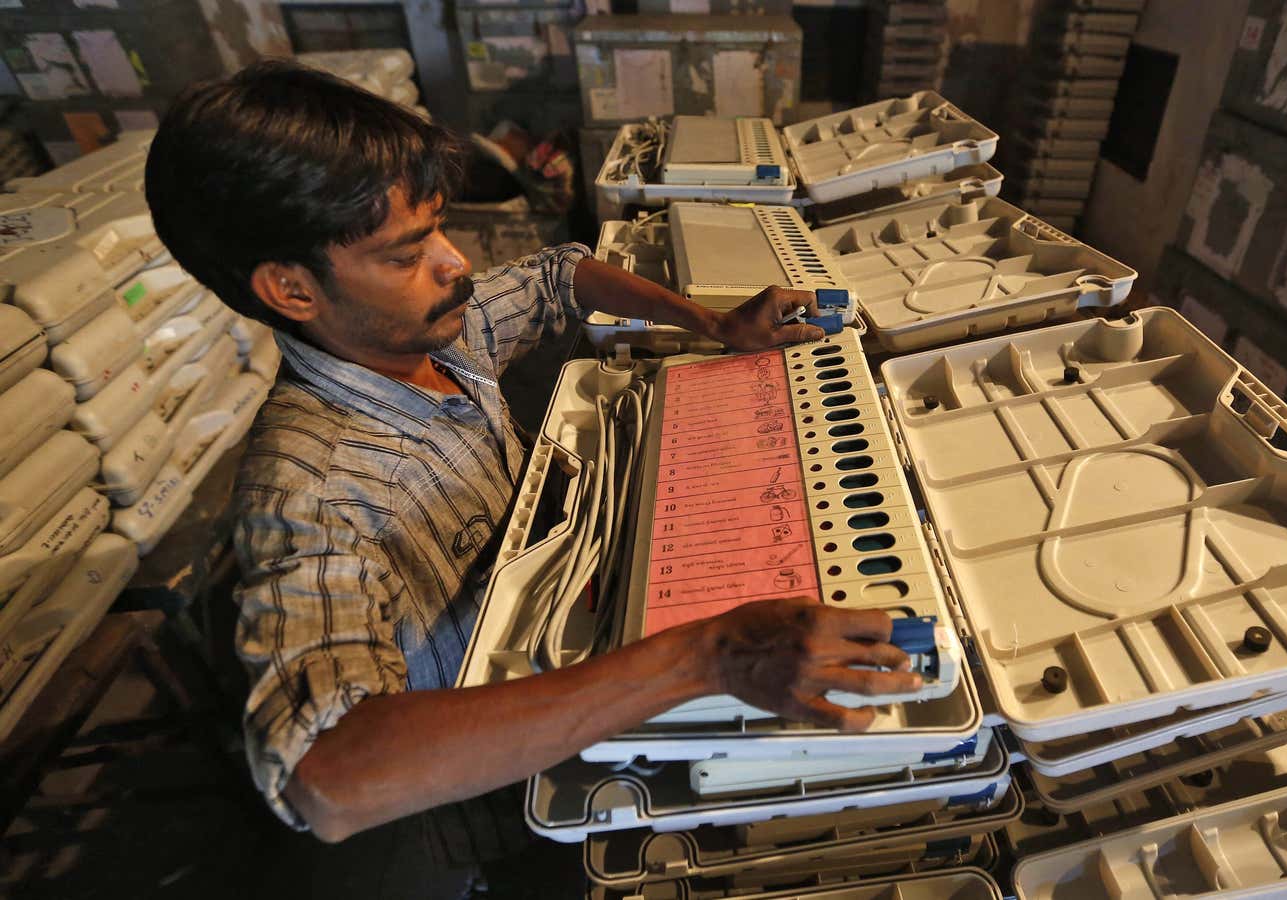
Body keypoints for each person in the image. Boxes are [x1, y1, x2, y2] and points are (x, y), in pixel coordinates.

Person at [143, 60, 920, 866]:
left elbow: (561, 275)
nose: (456, 266)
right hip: (496, 775)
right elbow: (328, 775)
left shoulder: (433, 330)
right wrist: (706, 655)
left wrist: (712, 324)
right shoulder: (315, 487)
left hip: (571, 629)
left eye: (440, 230)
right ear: (291, 290)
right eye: (407, 254)